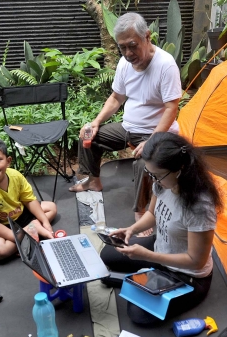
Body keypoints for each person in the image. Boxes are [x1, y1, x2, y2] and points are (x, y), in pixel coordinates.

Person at [69, 12, 182, 227]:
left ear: (147, 37)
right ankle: (93, 182)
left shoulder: (166, 65)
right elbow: (116, 98)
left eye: (132, 45)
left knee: (144, 163)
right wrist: (95, 122)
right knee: (88, 136)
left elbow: (171, 108)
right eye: (123, 47)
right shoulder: (124, 63)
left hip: (156, 132)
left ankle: (142, 212)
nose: (128, 53)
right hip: (129, 127)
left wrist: (152, 140)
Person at [100, 132, 223, 324]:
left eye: (157, 175)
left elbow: (196, 261)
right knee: (108, 253)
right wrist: (131, 229)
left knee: (138, 314)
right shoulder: (163, 183)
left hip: (188, 274)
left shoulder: (199, 207)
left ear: (180, 169)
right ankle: (145, 275)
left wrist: (146, 256)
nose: (154, 180)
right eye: (150, 173)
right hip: (161, 248)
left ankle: (143, 275)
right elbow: (152, 214)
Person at [0, 137, 57, 261]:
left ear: (8, 161)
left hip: (19, 215)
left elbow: (29, 200)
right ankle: (31, 230)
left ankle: (31, 230)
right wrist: (19, 235)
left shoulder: (15, 175)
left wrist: (46, 223)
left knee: (51, 207)